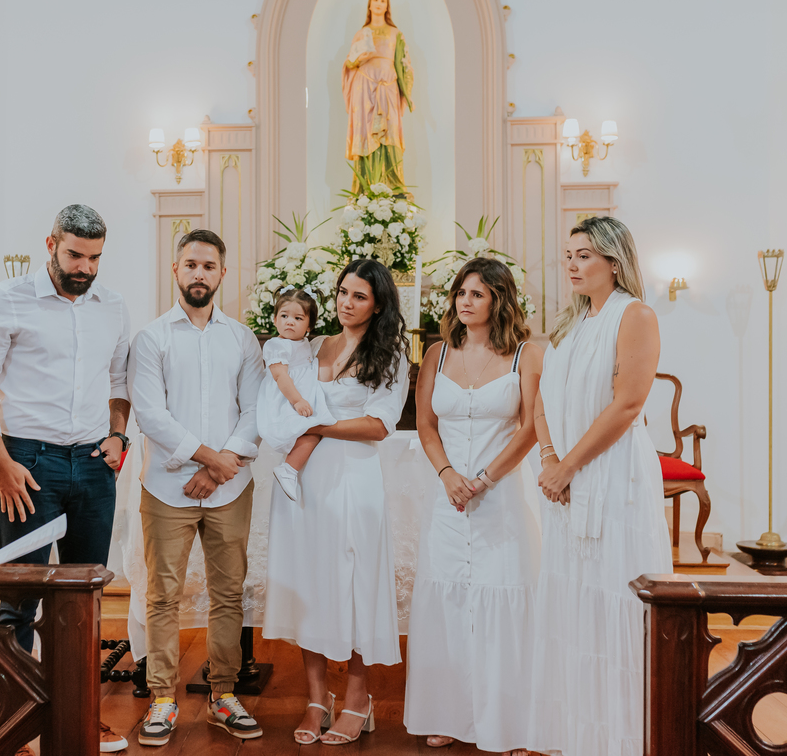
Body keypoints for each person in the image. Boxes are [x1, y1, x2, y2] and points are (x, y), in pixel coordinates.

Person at [0, 203, 130, 753]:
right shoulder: (6, 300)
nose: (85, 268)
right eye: (75, 254)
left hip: (96, 465)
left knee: (84, 598)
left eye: (95, 257)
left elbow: (121, 379)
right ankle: (14, 720)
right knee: (19, 596)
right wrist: (0, 460)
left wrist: (119, 434)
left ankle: (81, 716)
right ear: (50, 243)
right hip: (27, 463)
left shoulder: (112, 305)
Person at [526, 216, 672, 756]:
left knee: (614, 597)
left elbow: (629, 403)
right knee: (573, 600)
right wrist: (548, 457)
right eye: (568, 255)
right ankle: (576, 734)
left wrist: (570, 466)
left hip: (614, 479)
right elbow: (540, 397)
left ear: (615, 261)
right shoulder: (569, 324)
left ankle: (622, 737)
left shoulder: (634, 315)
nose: (572, 264)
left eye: (584, 255)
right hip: (565, 479)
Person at [263, 258, 410, 746]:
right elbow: (281, 389)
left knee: (355, 585)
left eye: (360, 296)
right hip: (305, 483)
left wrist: (312, 427)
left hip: (353, 477)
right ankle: (315, 697)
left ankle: (358, 699)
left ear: (379, 303)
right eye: (343, 292)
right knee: (312, 584)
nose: (347, 303)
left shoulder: (389, 354)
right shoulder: (314, 343)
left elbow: (379, 425)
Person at [130, 228, 267, 747]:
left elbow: (256, 409)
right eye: (190, 265)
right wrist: (209, 457)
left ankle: (223, 694)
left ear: (222, 275)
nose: (199, 274)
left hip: (230, 486)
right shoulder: (152, 338)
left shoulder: (242, 338)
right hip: (168, 487)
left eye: (208, 266)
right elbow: (150, 414)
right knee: (162, 593)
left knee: (228, 592)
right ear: (175, 270)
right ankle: (162, 697)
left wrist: (219, 467)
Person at [405, 258, 543, 753]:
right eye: (461, 292)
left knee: (503, 598)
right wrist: (448, 475)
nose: (466, 301)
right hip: (447, 497)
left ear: (499, 300)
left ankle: (512, 723)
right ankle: (447, 712)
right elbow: (425, 424)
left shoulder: (527, 353)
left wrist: (484, 479)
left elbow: (530, 427)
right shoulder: (437, 354)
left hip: (502, 494)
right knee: (449, 600)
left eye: (478, 293)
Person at [257, 286, 336, 501]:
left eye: (298, 318)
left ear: (309, 326)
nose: (289, 321)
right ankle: (289, 469)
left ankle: (291, 470)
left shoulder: (306, 344)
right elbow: (280, 376)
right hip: (286, 398)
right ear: (275, 320)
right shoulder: (276, 345)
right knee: (312, 431)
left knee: (315, 432)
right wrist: (297, 400)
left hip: (300, 395)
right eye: (284, 316)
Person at [343, 0, 415, 193]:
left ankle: (394, 185)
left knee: (391, 132)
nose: (379, 3)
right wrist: (357, 59)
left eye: (383, 0)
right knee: (367, 131)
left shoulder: (396, 33)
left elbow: (405, 64)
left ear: (387, 6)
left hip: (388, 86)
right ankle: (366, 187)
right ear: (369, 4)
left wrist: (407, 91)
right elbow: (349, 62)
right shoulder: (362, 32)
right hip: (364, 86)